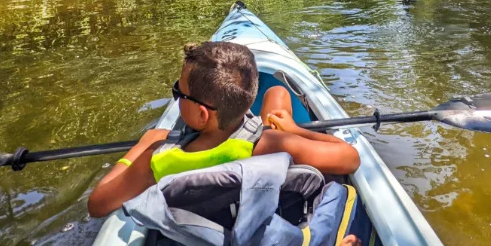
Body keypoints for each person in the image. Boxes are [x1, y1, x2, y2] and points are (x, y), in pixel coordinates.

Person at [87, 41, 360, 218]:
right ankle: (280, 113)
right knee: (277, 92)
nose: (176, 95)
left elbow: (98, 204)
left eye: (177, 92)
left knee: (276, 97)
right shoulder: (274, 143)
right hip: (256, 151)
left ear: (201, 113)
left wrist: (143, 145)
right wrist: (292, 130)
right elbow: (350, 157)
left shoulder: (156, 161)